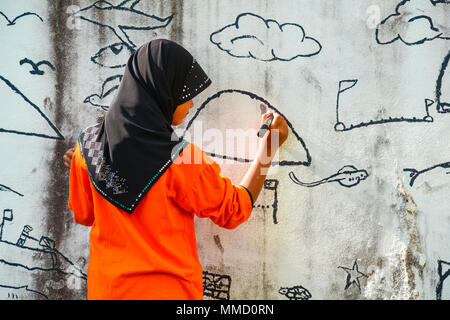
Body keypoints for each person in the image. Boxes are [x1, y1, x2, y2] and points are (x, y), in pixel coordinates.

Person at [64, 39, 288, 300]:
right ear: (162, 91)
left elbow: (84, 215)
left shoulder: (87, 148)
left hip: (107, 291)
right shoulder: (180, 158)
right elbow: (234, 209)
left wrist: (82, 168)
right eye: (185, 93)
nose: (191, 103)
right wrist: (269, 147)